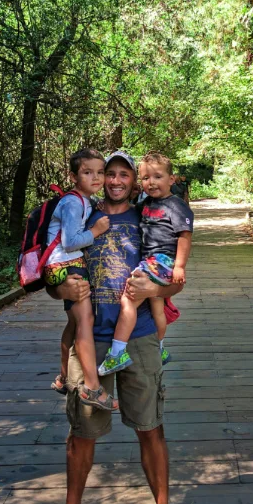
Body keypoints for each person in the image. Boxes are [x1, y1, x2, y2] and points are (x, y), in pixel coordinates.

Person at [31, 151, 189, 504]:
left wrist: (154, 291)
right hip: (90, 341)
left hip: (138, 339)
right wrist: (59, 291)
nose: (115, 180)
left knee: (150, 428)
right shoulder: (78, 211)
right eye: (109, 174)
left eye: (123, 175)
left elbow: (173, 282)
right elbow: (53, 272)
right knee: (81, 431)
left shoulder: (149, 217)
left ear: (135, 181)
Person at [97, 151, 194, 376]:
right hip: (153, 260)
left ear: (171, 179)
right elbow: (135, 212)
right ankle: (160, 347)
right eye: (146, 178)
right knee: (156, 305)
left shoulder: (176, 206)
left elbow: (184, 236)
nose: (151, 183)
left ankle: (117, 352)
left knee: (128, 299)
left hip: (160, 260)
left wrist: (179, 266)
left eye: (158, 177)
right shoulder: (146, 203)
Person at [44, 148, 114, 412]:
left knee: (74, 323)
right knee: (86, 320)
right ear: (73, 176)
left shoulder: (82, 200)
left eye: (100, 172)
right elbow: (70, 242)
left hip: (60, 264)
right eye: (88, 172)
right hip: (67, 265)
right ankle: (93, 387)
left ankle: (63, 377)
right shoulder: (74, 202)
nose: (95, 178)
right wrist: (95, 231)